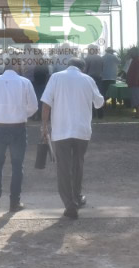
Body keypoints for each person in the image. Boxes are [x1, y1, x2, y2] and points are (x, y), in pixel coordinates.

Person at [40, 57, 104, 219]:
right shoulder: (88, 80)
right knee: (78, 164)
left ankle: (70, 204)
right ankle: (77, 196)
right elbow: (99, 103)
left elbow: (46, 103)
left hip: (61, 130)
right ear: (83, 68)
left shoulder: (56, 77)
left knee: (63, 168)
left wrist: (44, 126)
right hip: (82, 130)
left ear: (67, 65)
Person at [0, 57, 38, 212]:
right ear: (16, 65)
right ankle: (14, 202)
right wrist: (21, 113)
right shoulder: (25, 82)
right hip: (18, 127)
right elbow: (33, 106)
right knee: (17, 165)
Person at [125, 48, 139, 119]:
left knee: (138, 101)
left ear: (135, 53)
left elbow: (138, 72)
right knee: (136, 100)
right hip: (134, 83)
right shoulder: (134, 60)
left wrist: (135, 81)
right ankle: (138, 114)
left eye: (131, 52)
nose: (130, 54)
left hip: (137, 84)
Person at [84, 46, 105, 119]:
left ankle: (92, 114)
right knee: (98, 95)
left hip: (89, 78)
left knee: (89, 96)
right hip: (98, 78)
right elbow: (102, 68)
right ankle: (100, 114)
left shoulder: (87, 58)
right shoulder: (100, 58)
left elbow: (85, 70)